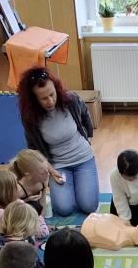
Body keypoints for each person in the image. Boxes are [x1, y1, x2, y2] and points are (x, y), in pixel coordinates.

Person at [17, 67, 98, 216]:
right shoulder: (30, 117)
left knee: (89, 206)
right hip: (58, 165)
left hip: (83, 159)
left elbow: (85, 116)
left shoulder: (71, 100)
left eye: (52, 94)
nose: (50, 101)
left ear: (56, 89)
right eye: (43, 98)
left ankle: (79, 184)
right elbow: (34, 150)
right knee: (63, 209)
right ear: (34, 100)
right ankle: (74, 187)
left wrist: (88, 139)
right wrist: (51, 170)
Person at [9, 148, 51, 215]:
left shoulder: (44, 180)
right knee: (33, 207)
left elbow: (43, 201)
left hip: (30, 205)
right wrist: (26, 200)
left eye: (47, 170)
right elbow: (9, 211)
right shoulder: (18, 190)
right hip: (18, 210)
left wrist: (42, 219)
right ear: (27, 173)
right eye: (43, 173)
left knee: (37, 207)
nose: (48, 174)